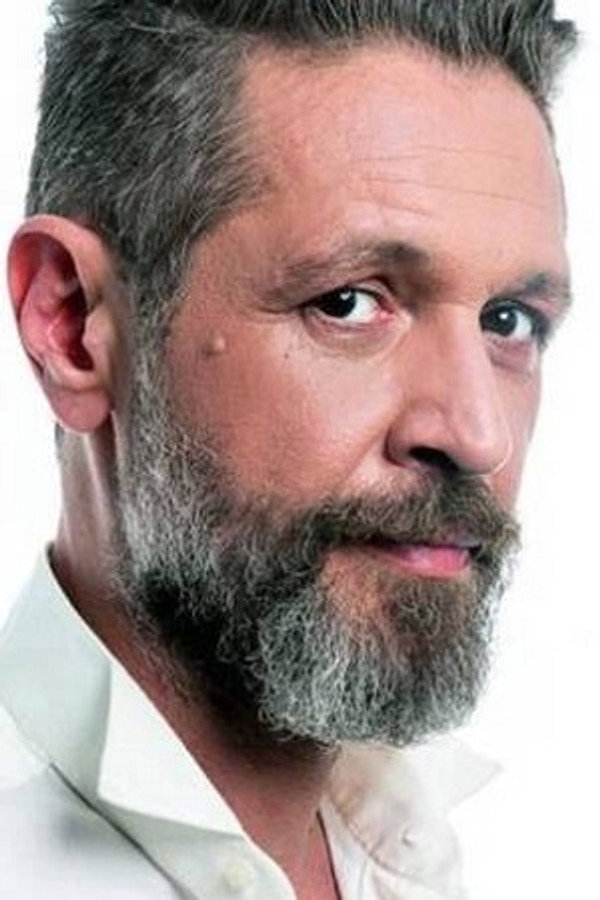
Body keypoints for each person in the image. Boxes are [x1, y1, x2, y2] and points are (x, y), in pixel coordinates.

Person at [0, 1, 578, 898]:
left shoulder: (420, 852)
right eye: (349, 302)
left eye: (509, 321)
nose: (477, 435)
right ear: (72, 325)